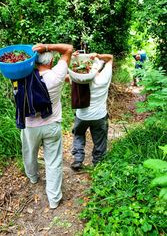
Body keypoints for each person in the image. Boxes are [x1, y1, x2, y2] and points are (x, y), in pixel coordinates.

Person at [21, 43, 73, 209]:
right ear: (51, 62)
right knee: (53, 161)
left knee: (29, 153)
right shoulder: (57, 74)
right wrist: (47, 46)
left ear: (35, 62)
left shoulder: (23, 76)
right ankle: (54, 199)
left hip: (30, 126)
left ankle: (33, 177)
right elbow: (68, 49)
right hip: (51, 124)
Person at [70, 52, 113, 170]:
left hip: (82, 116)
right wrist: (98, 56)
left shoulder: (78, 81)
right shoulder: (104, 78)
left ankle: (78, 159)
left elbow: (68, 72)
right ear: (97, 68)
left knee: (78, 134)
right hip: (99, 116)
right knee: (100, 140)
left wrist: (73, 58)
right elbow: (110, 58)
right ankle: (98, 164)